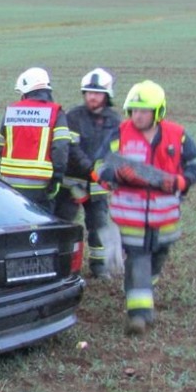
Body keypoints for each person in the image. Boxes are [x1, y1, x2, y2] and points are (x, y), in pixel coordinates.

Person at [95, 80, 196, 335]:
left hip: (165, 218)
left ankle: (141, 287)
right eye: (133, 110)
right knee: (138, 258)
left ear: (158, 112)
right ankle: (139, 315)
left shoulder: (178, 135)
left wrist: (182, 180)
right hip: (130, 216)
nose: (138, 116)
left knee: (158, 256)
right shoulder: (120, 134)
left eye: (144, 111)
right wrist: (117, 175)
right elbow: (100, 165)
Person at [56, 68, 123, 277]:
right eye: (88, 92)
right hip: (73, 183)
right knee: (65, 224)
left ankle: (98, 265)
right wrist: (91, 169)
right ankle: (62, 264)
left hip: (98, 186)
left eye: (97, 93)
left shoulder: (115, 120)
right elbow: (72, 149)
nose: (92, 96)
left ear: (107, 96)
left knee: (98, 225)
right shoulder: (73, 116)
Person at [0, 67, 71, 211]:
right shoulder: (55, 112)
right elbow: (61, 147)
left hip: (10, 182)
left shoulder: (12, 110)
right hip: (41, 184)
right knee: (41, 223)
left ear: (25, 91)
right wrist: (57, 177)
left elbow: (1, 144)